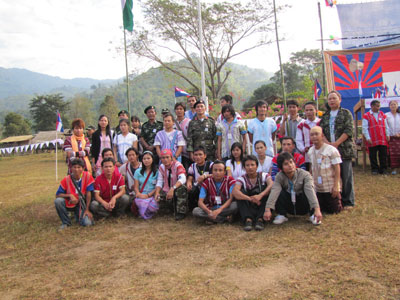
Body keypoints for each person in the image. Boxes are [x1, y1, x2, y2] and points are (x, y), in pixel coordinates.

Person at [263, 152, 323, 226]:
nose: (290, 166)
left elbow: (310, 191)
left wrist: (317, 209)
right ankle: (282, 214)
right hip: (289, 204)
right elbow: (274, 192)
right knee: (278, 191)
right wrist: (267, 209)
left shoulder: (305, 174)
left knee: (309, 190)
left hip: (303, 203)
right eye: (286, 164)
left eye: (291, 162)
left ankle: (313, 214)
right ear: (281, 167)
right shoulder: (279, 176)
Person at [320, 90, 356, 208]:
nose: (331, 101)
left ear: (339, 100)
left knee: (346, 175)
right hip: (329, 150)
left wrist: (336, 143)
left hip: (344, 149)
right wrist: (328, 144)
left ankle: (348, 201)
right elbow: (321, 132)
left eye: (334, 98)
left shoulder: (346, 113)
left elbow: (349, 130)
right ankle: (336, 199)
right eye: (329, 99)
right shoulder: (325, 116)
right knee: (332, 175)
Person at [233, 155, 273, 231]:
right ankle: (248, 219)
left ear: (257, 166)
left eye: (252, 165)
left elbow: (271, 184)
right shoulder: (241, 179)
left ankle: (260, 220)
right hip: (249, 205)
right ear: (244, 168)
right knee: (241, 193)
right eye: (247, 165)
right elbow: (235, 191)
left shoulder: (264, 175)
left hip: (261, 204)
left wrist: (260, 195)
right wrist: (250, 199)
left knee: (267, 191)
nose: (250, 167)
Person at [308, 126, 342, 214]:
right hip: (317, 188)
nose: (314, 137)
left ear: (322, 135)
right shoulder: (310, 151)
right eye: (312, 135)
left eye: (316, 134)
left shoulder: (331, 150)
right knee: (319, 209)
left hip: (330, 187)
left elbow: (337, 168)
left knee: (334, 210)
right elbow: (311, 168)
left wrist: (336, 186)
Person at [54, 159, 95, 230]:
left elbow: (89, 193)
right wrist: (69, 195)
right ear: (71, 168)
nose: (76, 169)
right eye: (74, 167)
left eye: (79, 167)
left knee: (87, 223)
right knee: (58, 201)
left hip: (82, 204)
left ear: (83, 168)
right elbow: (58, 195)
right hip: (70, 203)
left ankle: (78, 216)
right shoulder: (66, 179)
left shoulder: (87, 176)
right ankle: (65, 222)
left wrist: (87, 209)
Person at [154, 149, 188, 221]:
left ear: (171, 158)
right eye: (163, 158)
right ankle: (169, 207)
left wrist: (173, 188)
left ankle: (181, 212)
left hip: (176, 189)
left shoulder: (177, 165)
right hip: (167, 189)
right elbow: (160, 181)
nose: (165, 160)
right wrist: (157, 193)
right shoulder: (161, 167)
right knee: (158, 196)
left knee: (181, 188)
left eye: (167, 157)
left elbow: (183, 179)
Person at [362, 100, 390, 175]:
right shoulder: (366, 115)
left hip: (382, 137)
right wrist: (368, 138)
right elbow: (364, 128)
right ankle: (374, 169)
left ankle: (383, 169)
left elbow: (386, 125)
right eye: (377, 106)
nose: (378, 107)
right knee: (373, 154)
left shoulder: (382, 114)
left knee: (383, 154)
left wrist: (388, 134)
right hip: (372, 138)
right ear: (372, 106)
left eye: (379, 106)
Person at [133, 151, 159, 219]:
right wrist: (138, 194)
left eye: (148, 158)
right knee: (141, 202)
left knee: (152, 207)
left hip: (152, 194)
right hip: (141, 194)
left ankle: (144, 212)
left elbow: (158, 186)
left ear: (152, 159)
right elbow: (136, 187)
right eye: (144, 159)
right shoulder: (138, 171)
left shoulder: (157, 172)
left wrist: (148, 195)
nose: (146, 160)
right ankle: (143, 212)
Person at [186, 146, 213, 210]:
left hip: (210, 188)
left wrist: (204, 176)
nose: (198, 157)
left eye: (200, 154)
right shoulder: (192, 166)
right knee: (191, 190)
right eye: (196, 155)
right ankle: (193, 207)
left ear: (205, 156)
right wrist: (189, 183)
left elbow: (216, 175)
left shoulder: (211, 164)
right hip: (198, 188)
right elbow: (190, 177)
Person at [296, 101, 321, 169]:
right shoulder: (301, 125)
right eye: (306, 110)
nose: (308, 112)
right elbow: (298, 140)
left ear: (316, 110)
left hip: (320, 152)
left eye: (311, 110)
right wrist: (303, 149)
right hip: (307, 154)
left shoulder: (321, 123)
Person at [174, 102, 191, 169]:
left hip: (186, 152)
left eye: (181, 109)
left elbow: (191, 137)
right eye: (177, 109)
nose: (179, 111)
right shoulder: (172, 123)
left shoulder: (189, 122)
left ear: (184, 110)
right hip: (175, 153)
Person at [385, 100, 400, 174]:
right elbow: (385, 126)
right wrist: (388, 135)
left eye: (395, 104)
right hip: (390, 137)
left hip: (399, 137)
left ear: (397, 105)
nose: (393, 106)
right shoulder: (386, 115)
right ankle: (394, 169)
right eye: (391, 104)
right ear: (389, 106)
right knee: (392, 154)